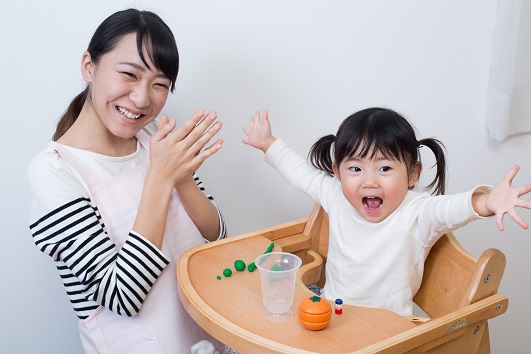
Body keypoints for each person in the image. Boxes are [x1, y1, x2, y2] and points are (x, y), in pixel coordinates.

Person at [28, 8, 234, 354]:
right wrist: (161, 176)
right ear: (88, 67)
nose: (141, 99)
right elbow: (122, 296)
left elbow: (217, 239)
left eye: (160, 85)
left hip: (215, 340)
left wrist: (181, 178)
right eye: (129, 74)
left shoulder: (152, 138)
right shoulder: (53, 172)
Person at [242, 107, 531, 316]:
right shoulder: (335, 195)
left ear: (413, 174)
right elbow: (302, 175)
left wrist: (488, 201)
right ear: (338, 173)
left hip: (388, 334)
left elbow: (453, 208)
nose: (370, 180)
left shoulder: (417, 212)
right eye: (355, 168)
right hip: (331, 314)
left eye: (385, 168)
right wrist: (269, 144)